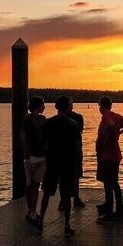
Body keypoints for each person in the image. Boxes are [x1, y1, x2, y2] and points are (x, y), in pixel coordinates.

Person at [37, 96, 83, 237]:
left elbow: (43, 142)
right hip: (67, 162)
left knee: (46, 192)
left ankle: (41, 221)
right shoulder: (72, 124)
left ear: (56, 107)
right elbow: (76, 145)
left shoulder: (48, 123)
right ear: (68, 107)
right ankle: (67, 225)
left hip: (53, 161)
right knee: (67, 195)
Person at [95, 96, 123, 223]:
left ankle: (110, 213)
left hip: (108, 155)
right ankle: (118, 210)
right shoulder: (116, 116)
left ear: (102, 106)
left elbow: (110, 127)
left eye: (99, 106)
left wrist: (114, 131)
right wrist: (120, 132)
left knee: (108, 184)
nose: (99, 108)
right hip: (114, 154)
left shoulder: (107, 117)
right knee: (114, 183)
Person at [21, 96, 47, 228]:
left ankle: (33, 211)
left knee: (36, 184)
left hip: (42, 156)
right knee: (30, 184)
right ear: (37, 106)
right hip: (31, 156)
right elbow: (23, 136)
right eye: (42, 105)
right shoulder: (27, 119)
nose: (44, 107)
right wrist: (27, 152)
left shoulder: (43, 119)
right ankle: (30, 209)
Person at [63, 100, 86, 208]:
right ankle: (75, 198)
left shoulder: (57, 120)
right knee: (75, 175)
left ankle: (65, 200)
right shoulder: (78, 117)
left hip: (67, 150)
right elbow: (80, 130)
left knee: (65, 176)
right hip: (75, 149)